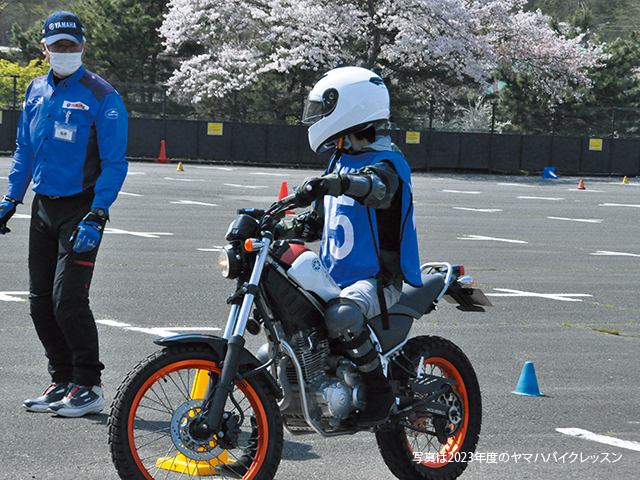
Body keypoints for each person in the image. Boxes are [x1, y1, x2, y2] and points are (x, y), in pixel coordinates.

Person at [0, 10, 128, 417]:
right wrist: (10, 199)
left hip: (82, 209)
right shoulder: (35, 90)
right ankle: (62, 379)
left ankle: (89, 385)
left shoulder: (103, 95)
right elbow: (25, 149)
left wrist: (98, 212)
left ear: (83, 46)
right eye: (57, 47)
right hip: (43, 208)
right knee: (39, 301)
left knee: (67, 301)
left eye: (72, 46)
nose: (65, 52)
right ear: (45, 49)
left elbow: (114, 162)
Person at [284, 66, 422, 426]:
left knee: (342, 315)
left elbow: (376, 189)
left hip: (377, 280)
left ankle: (378, 391)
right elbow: (320, 222)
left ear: (354, 108)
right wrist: (286, 228)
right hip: (335, 276)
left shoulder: (388, 163)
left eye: (324, 108)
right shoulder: (338, 159)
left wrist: (335, 182)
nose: (317, 117)